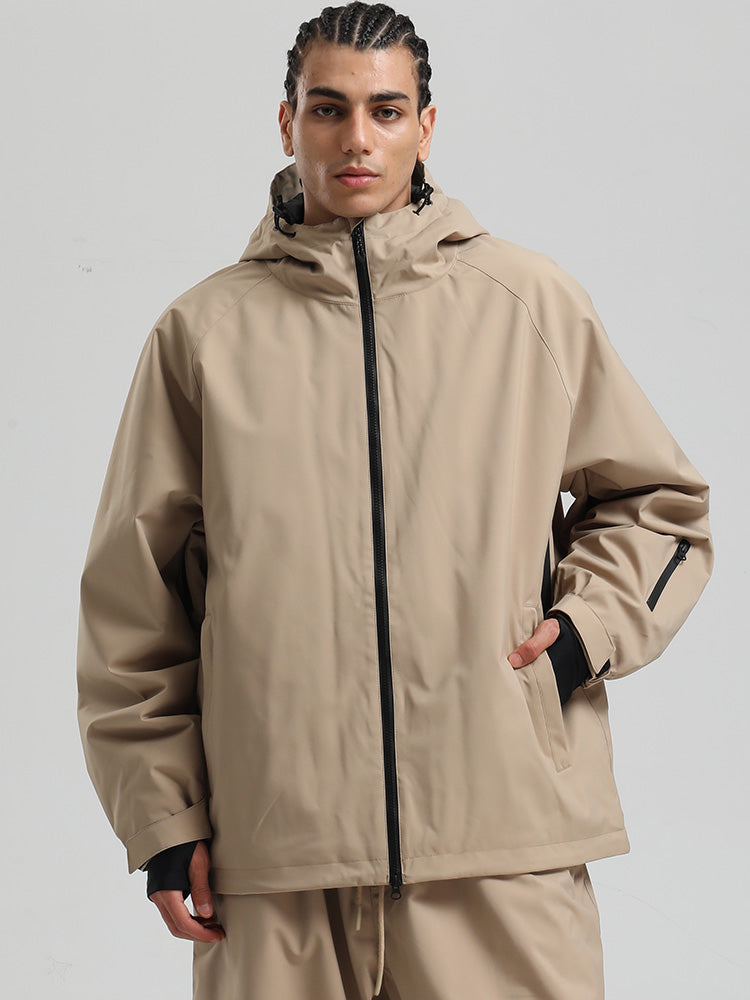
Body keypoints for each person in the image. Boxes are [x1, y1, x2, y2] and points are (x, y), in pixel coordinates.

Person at [75, 3, 714, 998]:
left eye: (386, 110)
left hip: (502, 844)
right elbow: (133, 604)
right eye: (328, 109)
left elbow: (660, 505)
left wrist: (582, 634)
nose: (357, 140)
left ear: (426, 126)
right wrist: (163, 818)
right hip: (275, 865)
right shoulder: (203, 335)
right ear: (286, 122)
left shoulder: (528, 303)